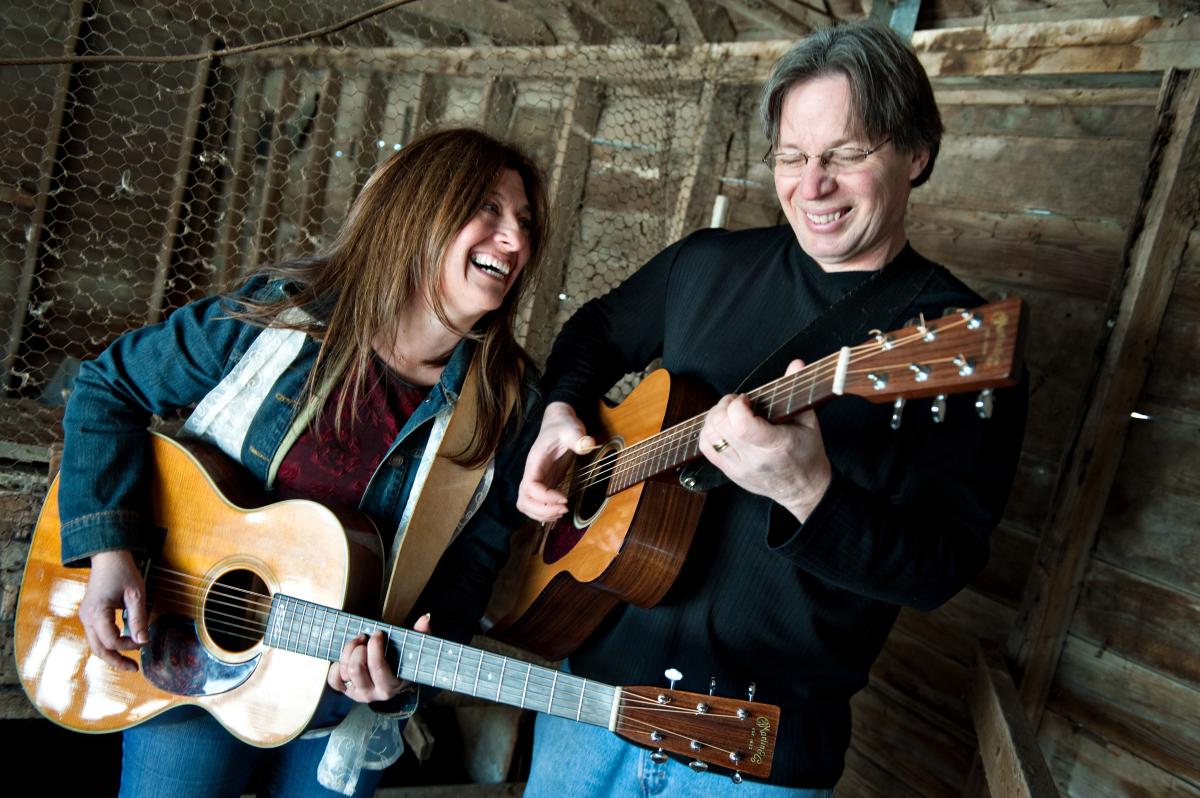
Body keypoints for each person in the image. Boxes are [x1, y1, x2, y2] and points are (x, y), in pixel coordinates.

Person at [516, 21, 1027, 796]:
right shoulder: (705, 265)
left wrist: (807, 492)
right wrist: (559, 414)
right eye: (793, 156)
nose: (811, 184)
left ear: (916, 154)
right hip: (585, 705)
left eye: (846, 154)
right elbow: (592, 332)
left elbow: (938, 570)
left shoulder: (957, 345)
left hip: (755, 757)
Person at [58, 127, 547, 797]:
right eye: (487, 209)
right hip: (187, 657)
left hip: (335, 709)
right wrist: (109, 551)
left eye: (523, 223)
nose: (514, 240)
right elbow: (106, 387)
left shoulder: (505, 405)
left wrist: (401, 673)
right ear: (419, 209)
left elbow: (472, 569)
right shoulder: (281, 316)